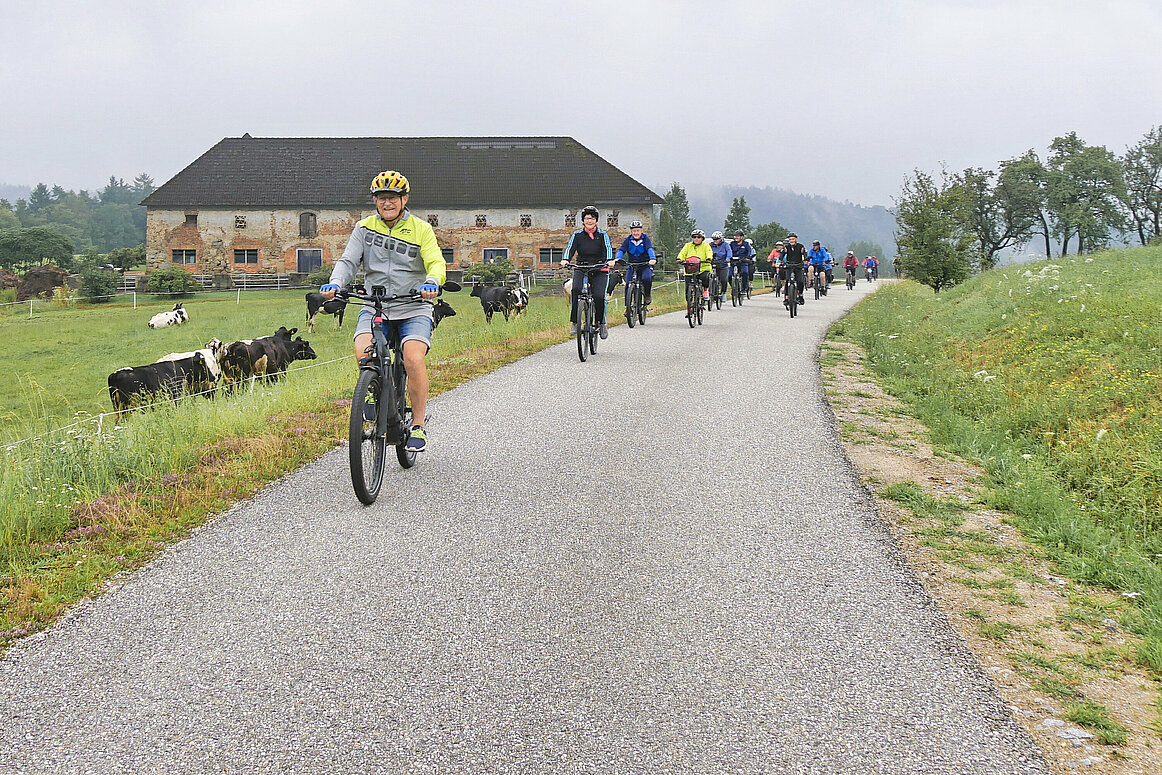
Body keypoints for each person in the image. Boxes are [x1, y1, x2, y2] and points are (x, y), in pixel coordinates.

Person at [321, 170, 446, 453]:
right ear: (375, 201)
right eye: (381, 198)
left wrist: (431, 282)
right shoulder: (364, 228)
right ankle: (375, 391)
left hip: (413, 305)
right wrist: (336, 282)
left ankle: (418, 424)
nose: (386, 203)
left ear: (404, 199)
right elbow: (348, 260)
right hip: (376, 304)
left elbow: (436, 262)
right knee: (363, 352)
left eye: (392, 197)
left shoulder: (421, 229)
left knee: (413, 358)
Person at [560, 205, 615, 338]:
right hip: (581, 267)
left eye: (592, 218)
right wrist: (566, 259)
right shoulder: (577, 235)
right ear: (583, 220)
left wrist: (609, 260)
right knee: (576, 290)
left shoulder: (602, 235)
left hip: (600, 268)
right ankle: (575, 322)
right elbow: (570, 249)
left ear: (596, 220)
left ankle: (601, 323)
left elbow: (608, 248)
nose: (589, 221)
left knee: (599, 296)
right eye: (587, 218)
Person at [615, 219, 657, 307]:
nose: (636, 233)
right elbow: (622, 250)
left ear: (641, 231)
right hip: (632, 265)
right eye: (634, 231)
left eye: (638, 230)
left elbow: (650, 249)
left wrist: (652, 258)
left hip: (645, 265)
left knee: (646, 278)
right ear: (631, 231)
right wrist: (618, 259)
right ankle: (628, 307)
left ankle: (647, 295)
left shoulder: (646, 239)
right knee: (628, 283)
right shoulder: (628, 240)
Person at [675, 228, 713, 304]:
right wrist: (679, 259)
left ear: (702, 239)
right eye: (694, 237)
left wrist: (709, 258)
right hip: (690, 269)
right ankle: (689, 305)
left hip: (703, 268)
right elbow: (682, 253)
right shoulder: (688, 245)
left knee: (705, 278)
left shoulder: (706, 246)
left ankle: (705, 290)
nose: (696, 239)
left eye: (698, 237)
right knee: (687, 287)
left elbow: (709, 252)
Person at [780, 233, 807, 305]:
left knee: (800, 281)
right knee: (787, 281)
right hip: (789, 265)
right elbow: (782, 254)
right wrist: (780, 261)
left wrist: (806, 260)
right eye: (790, 239)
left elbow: (804, 254)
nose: (791, 241)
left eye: (793, 239)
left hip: (798, 265)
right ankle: (786, 298)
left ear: (796, 239)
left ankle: (800, 295)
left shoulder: (800, 246)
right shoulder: (787, 247)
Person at [728, 230, 756, 294]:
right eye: (735, 236)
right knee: (729, 275)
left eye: (738, 236)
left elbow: (749, 251)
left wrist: (748, 257)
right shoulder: (732, 244)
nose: (736, 237)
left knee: (744, 273)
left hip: (743, 261)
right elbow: (729, 251)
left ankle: (743, 289)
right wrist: (728, 257)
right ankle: (733, 287)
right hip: (733, 261)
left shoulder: (746, 244)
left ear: (741, 237)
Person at [709, 230, 732, 305]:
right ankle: (711, 292)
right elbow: (707, 252)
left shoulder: (725, 245)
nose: (715, 241)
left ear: (721, 239)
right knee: (710, 278)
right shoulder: (710, 245)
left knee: (724, 280)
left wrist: (728, 258)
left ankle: (723, 293)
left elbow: (729, 252)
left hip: (723, 265)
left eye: (717, 239)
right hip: (713, 264)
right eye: (714, 239)